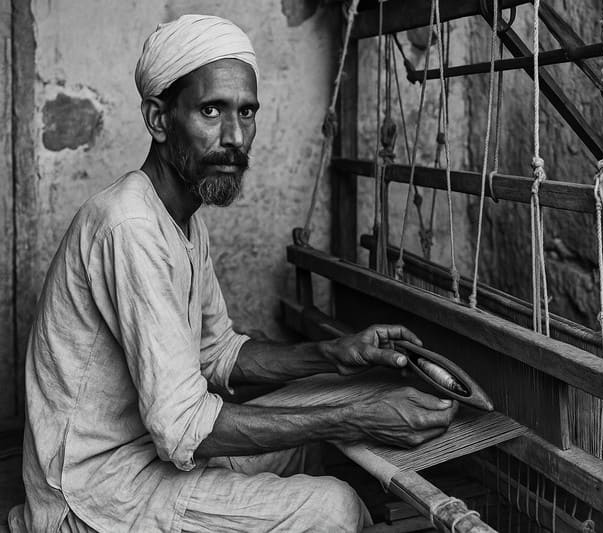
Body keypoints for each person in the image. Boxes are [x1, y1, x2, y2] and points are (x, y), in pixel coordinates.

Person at [19, 14, 458, 532]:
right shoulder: (129, 226)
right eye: (211, 110)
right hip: (95, 496)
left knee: (303, 449)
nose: (234, 137)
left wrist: (333, 354)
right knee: (334, 509)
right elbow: (181, 428)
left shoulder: (181, 218)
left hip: (147, 464)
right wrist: (356, 413)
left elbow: (217, 353)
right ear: (159, 119)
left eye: (246, 112)